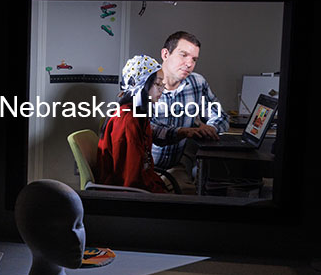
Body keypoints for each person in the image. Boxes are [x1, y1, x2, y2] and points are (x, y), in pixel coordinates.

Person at [149, 31, 229, 191]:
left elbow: (220, 116)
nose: (189, 64)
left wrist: (211, 127)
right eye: (183, 55)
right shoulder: (145, 83)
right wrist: (183, 132)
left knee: (194, 196)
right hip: (142, 166)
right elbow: (148, 129)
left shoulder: (197, 82)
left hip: (176, 167)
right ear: (165, 54)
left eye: (194, 59)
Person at [95, 55, 172, 193]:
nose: (162, 90)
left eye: (163, 85)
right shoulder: (127, 120)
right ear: (142, 85)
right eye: (158, 84)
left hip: (142, 187)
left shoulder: (138, 116)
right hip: (130, 196)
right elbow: (129, 179)